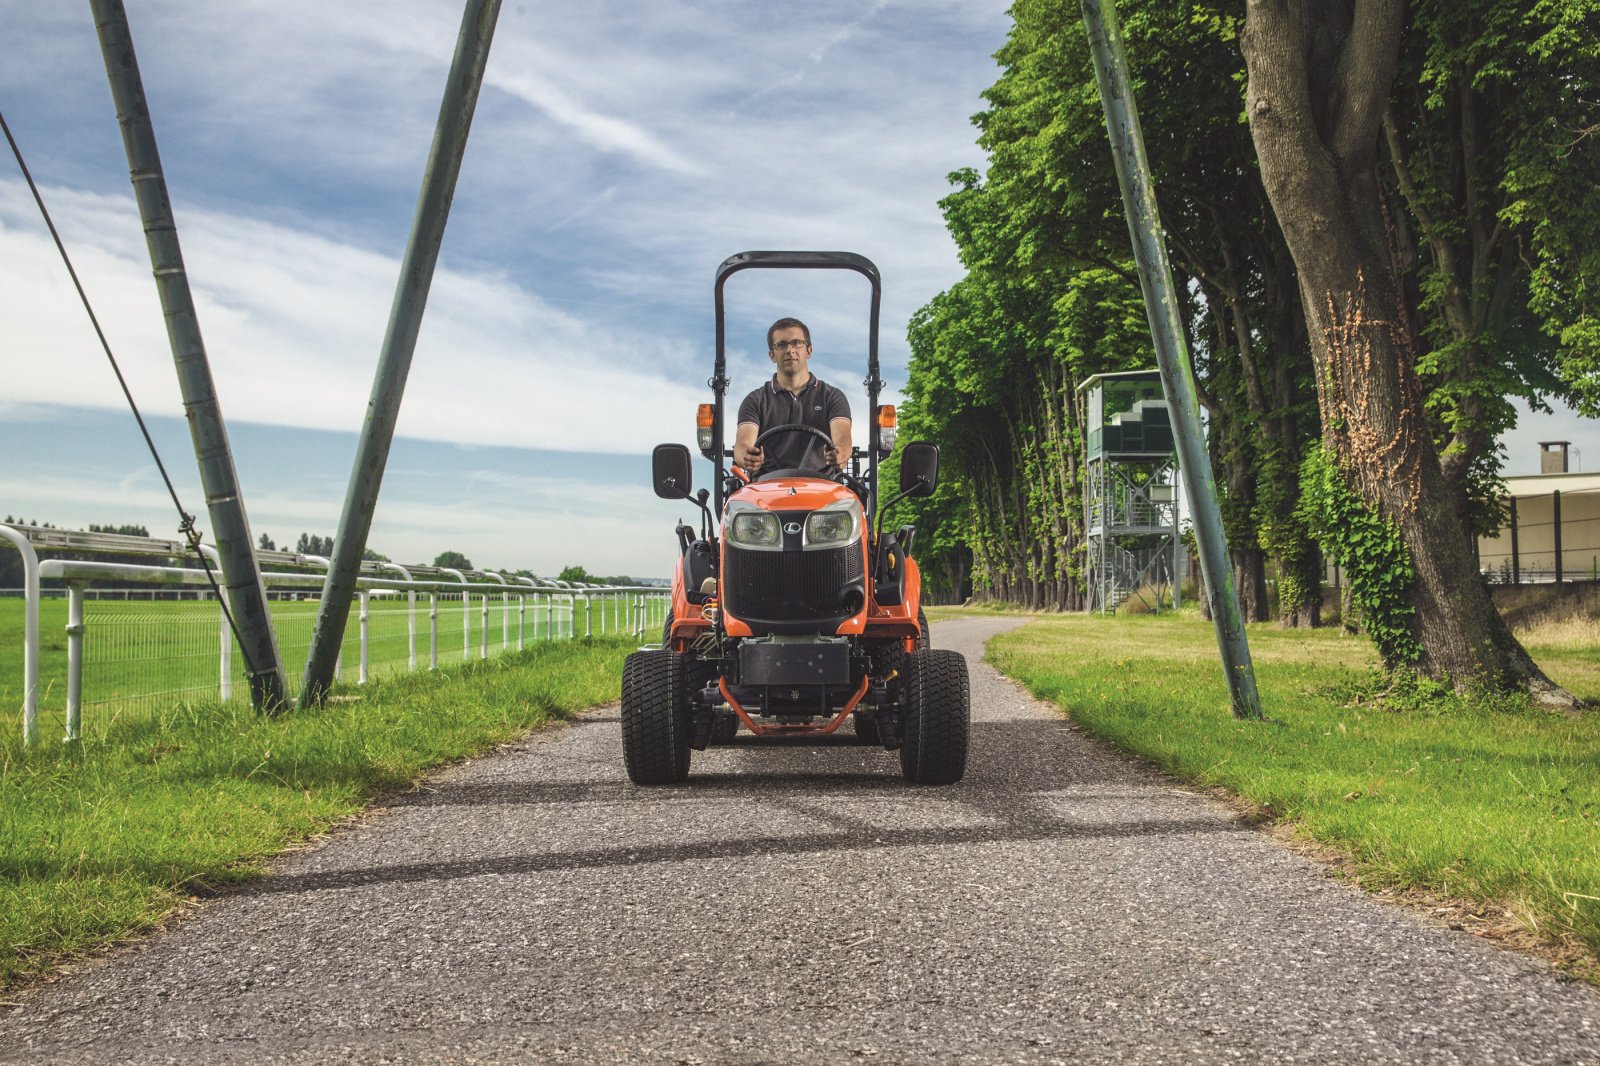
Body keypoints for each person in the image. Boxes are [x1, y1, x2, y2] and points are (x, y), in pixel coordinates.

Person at [732, 317, 853, 476]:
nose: (790, 350)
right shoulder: (756, 400)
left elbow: (843, 435)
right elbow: (743, 442)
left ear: (808, 350)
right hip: (766, 487)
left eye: (797, 343)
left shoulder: (832, 396)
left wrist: (841, 452)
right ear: (772, 355)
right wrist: (746, 456)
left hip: (821, 486)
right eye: (782, 345)